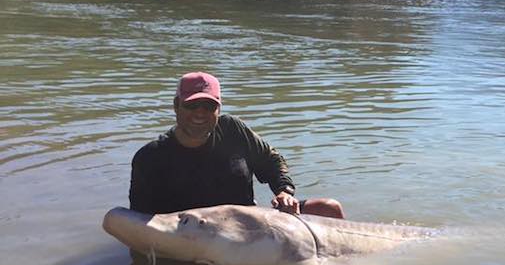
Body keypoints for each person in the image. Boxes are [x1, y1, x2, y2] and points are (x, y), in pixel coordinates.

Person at [129, 71, 344, 218]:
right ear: (176, 106)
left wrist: (284, 191)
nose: (200, 113)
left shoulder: (233, 129)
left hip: (247, 224)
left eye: (209, 105)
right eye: (192, 105)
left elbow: (272, 160)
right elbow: (139, 223)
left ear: (218, 110)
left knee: (329, 209)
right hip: (191, 233)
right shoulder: (150, 158)